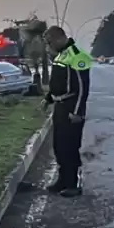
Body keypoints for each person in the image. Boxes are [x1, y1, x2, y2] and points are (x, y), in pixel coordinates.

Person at [41, 26, 92, 197]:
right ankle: (63, 180)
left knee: (70, 147)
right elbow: (58, 82)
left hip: (72, 108)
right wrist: (48, 98)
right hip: (60, 106)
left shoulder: (77, 56)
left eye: (49, 42)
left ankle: (73, 184)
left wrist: (77, 112)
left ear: (58, 38)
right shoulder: (61, 55)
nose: (48, 46)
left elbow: (82, 88)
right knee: (59, 146)